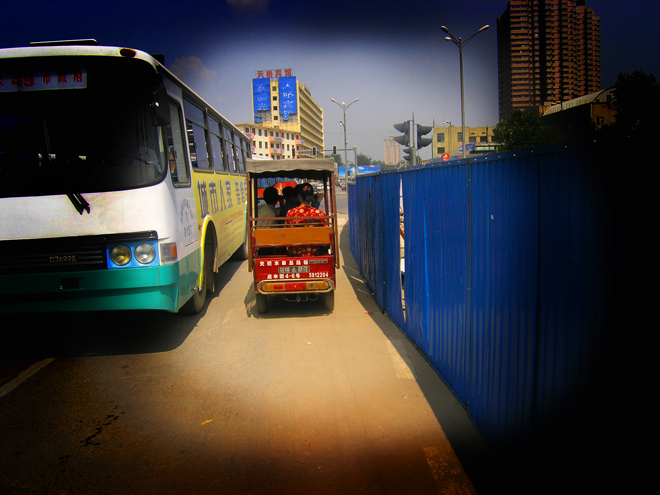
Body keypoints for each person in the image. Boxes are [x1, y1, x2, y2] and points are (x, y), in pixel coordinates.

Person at [285, 183, 327, 257]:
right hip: (314, 251)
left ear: (299, 197)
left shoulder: (291, 213)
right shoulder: (319, 214)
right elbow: (326, 233)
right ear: (312, 196)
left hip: (295, 251)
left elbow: (286, 233)